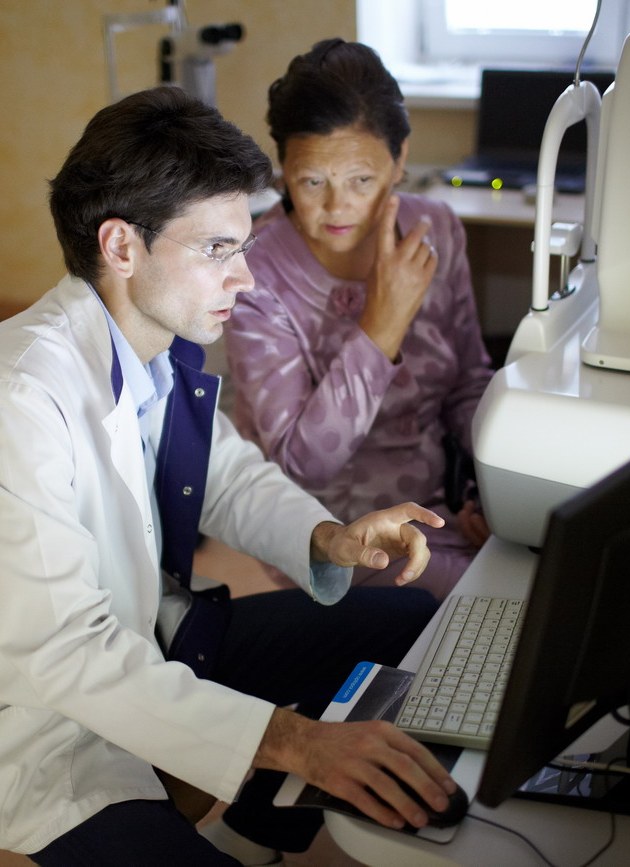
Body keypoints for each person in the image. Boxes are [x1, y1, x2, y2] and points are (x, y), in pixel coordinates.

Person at [0, 85, 462, 867]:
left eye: (242, 246)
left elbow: (228, 472)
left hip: (154, 644)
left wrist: (332, 537)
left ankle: (251, 834)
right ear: (121, 247)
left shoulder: (149, 346)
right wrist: (296, 741)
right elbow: (68, 656)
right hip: (50, 726)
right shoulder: (22, 398)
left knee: (408, 620)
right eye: (218, 250)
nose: (244, 279)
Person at [225, 39, 494, 601]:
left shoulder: (436, 233)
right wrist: (381, 327)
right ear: (283, 170)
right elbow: (305, 464)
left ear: (399, 159)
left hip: (442, 506)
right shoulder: (256, 275)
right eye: (311, 181)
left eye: (361, 180)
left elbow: (469, 382)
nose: (337, 206)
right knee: (497, 609)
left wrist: (491, 494)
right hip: (339, 533)